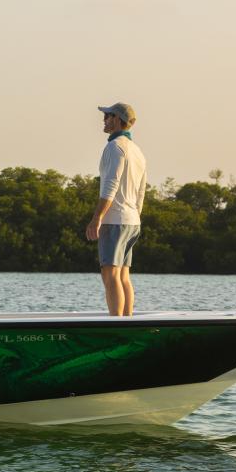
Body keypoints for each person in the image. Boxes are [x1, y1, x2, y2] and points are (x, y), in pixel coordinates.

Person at [85, 102, 147, 316]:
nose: (104, 120)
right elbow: (141, 193)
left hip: (114, 220)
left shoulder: (114, 147)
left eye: (108, 116)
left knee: (110, 275)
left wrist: (97, 218)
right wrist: (135, 216)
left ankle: (117, 323)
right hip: (132, 221)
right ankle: (128, 320)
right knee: (123, 276)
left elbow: (110, 185)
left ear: (118, 120)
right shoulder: (138, 151)